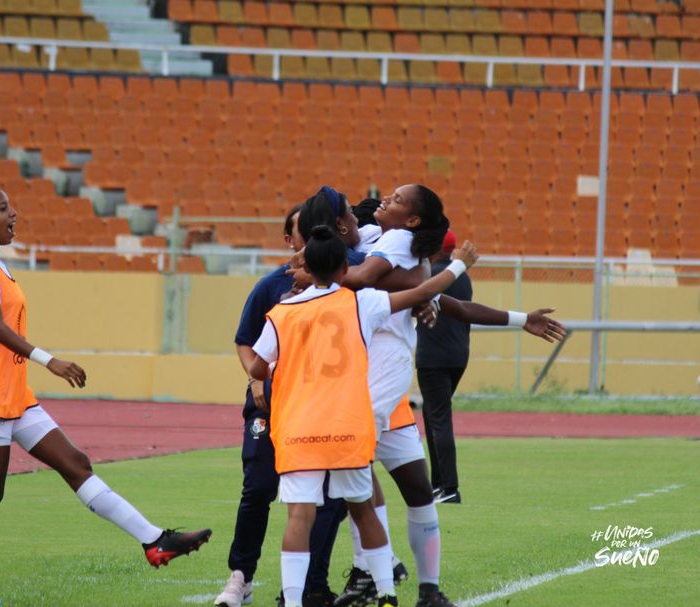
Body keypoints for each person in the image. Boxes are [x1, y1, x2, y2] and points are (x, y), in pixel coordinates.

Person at [0, 184, 211, 605]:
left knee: (75, 463)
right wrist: (49, 360)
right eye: (2, 208)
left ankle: (155, 540)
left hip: (12, 393)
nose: (12, 213)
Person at [295, 185, 564, 607]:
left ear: (413, 221)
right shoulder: (376, 238)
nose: (387, 198)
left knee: (349, 461)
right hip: (372, 370)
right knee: (417, 488)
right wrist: (511, 316)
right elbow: (430, 292)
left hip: (380, 370)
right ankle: (427, 590)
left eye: (398, 199)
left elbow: (383, 282)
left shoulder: (398, 241)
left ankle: (372, 570)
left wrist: (316, 275)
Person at [249, 225, 479, 607]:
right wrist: (458, 266)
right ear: (344, 270)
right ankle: (387, 594)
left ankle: (292, 602)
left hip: (298, 428)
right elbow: (422, 293)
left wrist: (283, 368)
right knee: (363, 508)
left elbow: (258, 369)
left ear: (305, 267)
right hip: (346, 428)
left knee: (299, 516)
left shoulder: (282, 312)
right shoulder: (362, 302)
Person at [217, 203, 361, 607]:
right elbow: (245, 340)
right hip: (271, 408)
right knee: (259, 487)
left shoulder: (344, 292)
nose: (310, 237)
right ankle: (240, 576)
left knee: (328, 499)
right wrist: (256, 377)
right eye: (302, 231)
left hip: (319, 412)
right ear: (289, 239)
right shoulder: (270, 287)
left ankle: (310, 585)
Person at [416, 230, 471, 504]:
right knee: (433, 415)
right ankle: (439, 485)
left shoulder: (431, 277)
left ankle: (449, 488)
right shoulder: (463, 276)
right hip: (458, 354)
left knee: (438, 419)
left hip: (433, 356)